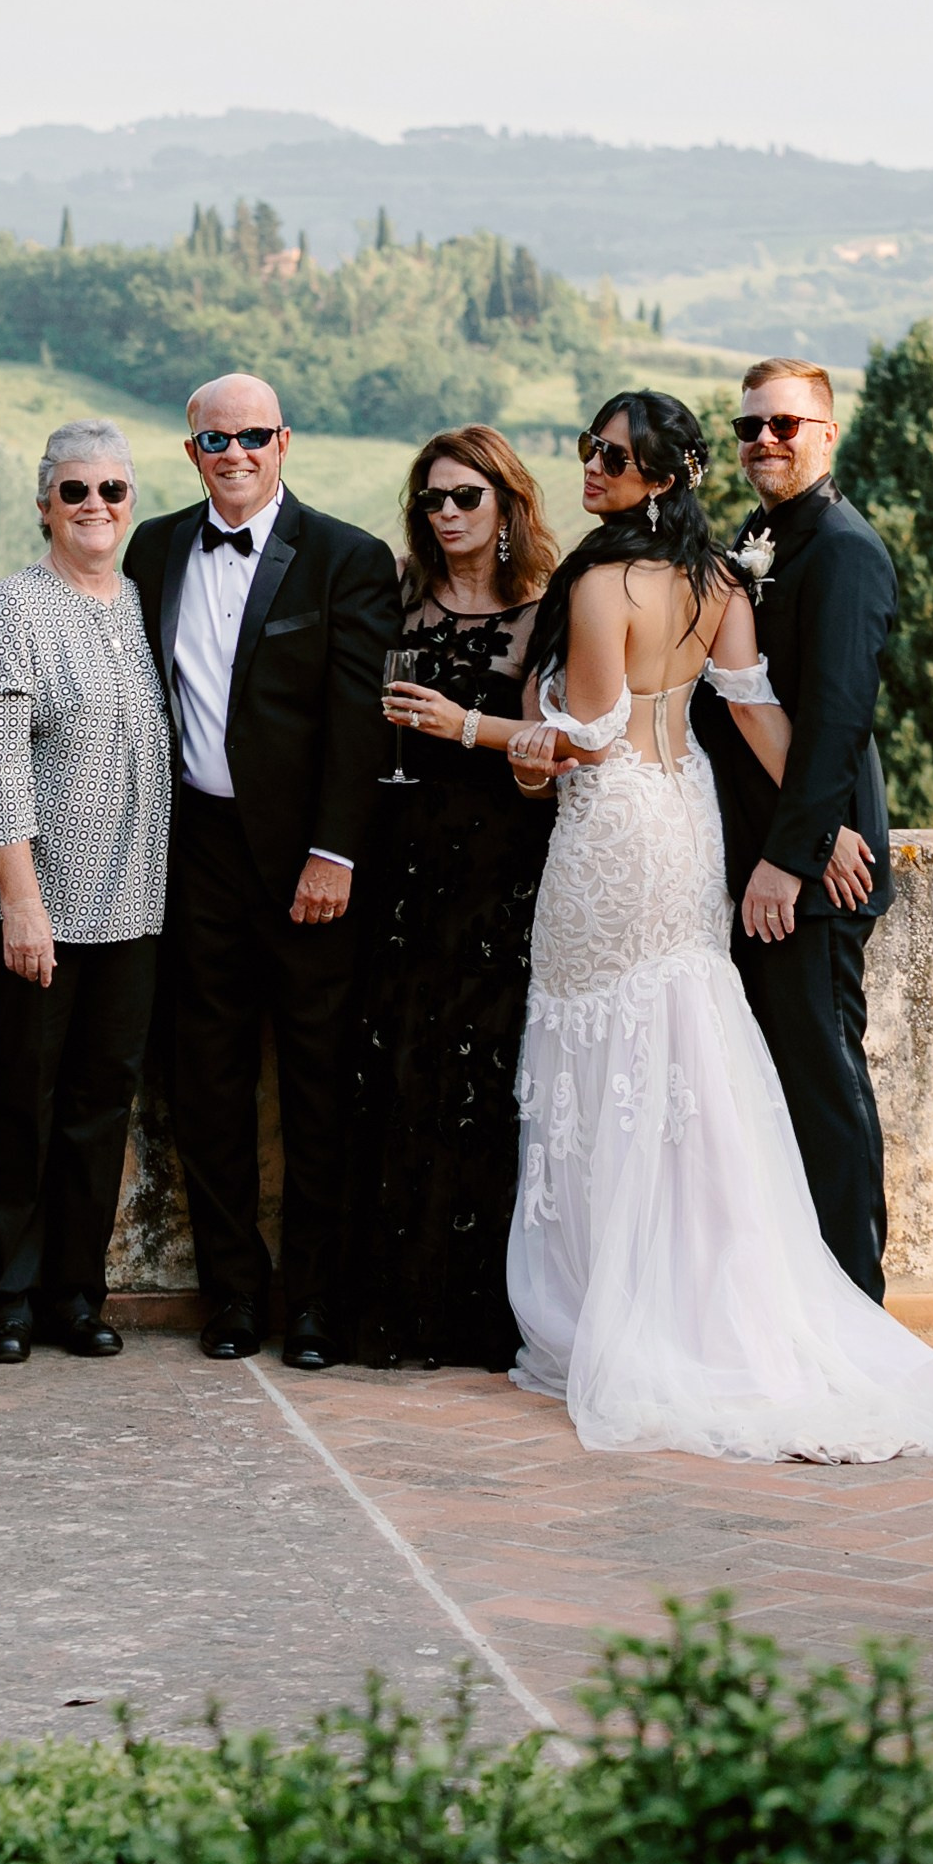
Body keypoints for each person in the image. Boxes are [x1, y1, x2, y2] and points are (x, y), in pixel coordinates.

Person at [507, 388, 933, 1463]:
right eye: (586, 451)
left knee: (608, 1053)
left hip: (616, 831)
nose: (591, 469)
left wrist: (472, 725)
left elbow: (585, 732)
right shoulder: (722, 573)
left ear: (659, 476)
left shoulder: (605, 581)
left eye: (610, 457)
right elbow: (755, 707)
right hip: (688, 825)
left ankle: (619, 1303)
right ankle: (718, 1298)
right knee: (681, 1054)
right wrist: (831, 827)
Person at [122, 373, 397, 1370]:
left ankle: (315, 1304)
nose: (232, 455)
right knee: (208, 1085)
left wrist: (335, 852)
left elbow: (355, 718)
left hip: (305, 866)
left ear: (284, 441)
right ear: (188, 450)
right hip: (194, 854)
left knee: (319, 1086)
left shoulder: (346, 559)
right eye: (212, 440)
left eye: (250, 436)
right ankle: (231, 1297)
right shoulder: (152, 547)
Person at [346, 427, 559, 1371]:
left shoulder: (546, 612)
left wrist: (464, 726)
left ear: (508, 503)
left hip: (499, 867)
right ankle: (388, 1308)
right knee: (393, 1067)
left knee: (482, 1079)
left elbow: (559, 748)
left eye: (467, 497)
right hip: (398, 860)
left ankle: (474, 1315)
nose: (448, 514)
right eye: (433, 499)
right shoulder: (395, 591)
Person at [0, 421, 173, 1364]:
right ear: (44, 504)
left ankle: (75, 1297)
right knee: (19, 1103)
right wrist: (22, 901)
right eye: (76, 491)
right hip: (39, 906)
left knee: (100, 1106)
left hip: (137, 905)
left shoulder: (142, 603)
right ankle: (5, 1298)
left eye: (113, 492)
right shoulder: (13, 610)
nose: (96, 507)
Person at [692, 361, 896, 1299]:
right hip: (758, 852)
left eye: (783, 423)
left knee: (822, 1089)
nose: (763, 440)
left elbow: (837, 717)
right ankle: (794, 1301)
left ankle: (857, 1301)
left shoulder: (846, 551)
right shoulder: (759, 538)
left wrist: (793, 855)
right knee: (769, 1092)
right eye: (747, 427)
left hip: (808, 872)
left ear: (826, 431)